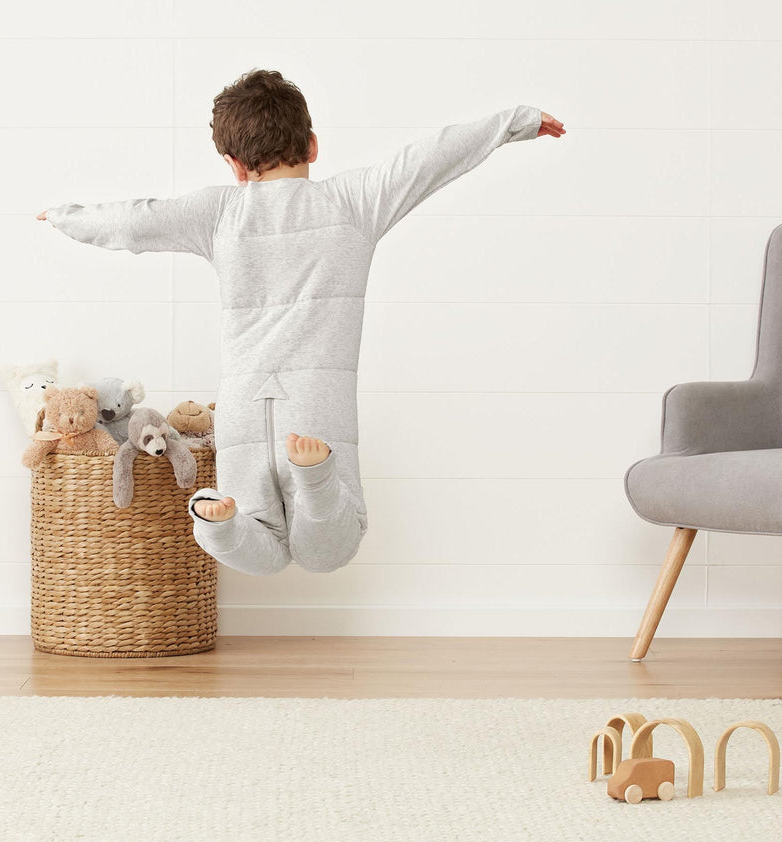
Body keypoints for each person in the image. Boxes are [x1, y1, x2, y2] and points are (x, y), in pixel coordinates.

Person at [37, 68, 565, 575]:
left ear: (235, 166)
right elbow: (430, 158)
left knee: (261, 541)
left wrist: (66, 217)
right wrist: (515, 122)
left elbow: (137, 220)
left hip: (244, 408)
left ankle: (220, 528)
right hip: (317, 406)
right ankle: (315, 479)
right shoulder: (353, 201)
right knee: (328, 550)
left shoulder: (221, 214)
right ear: (312, 145)